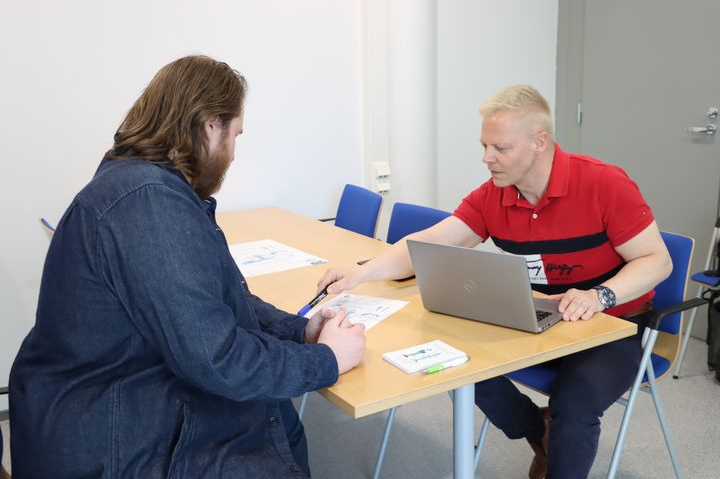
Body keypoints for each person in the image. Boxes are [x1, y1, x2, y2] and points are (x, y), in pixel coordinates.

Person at [9, 55, 366, 478]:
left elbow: (219, 301)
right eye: (235, 135)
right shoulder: (149, 204)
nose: (233, 153)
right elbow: (217, 359)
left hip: (112, 395)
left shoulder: (140, 185)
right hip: (110, 430)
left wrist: (298, 330)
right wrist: (326, 361)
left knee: (280, 418)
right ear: (210, 125)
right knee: (271, 419)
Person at [317, 85, 672, 479]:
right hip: (536, 313)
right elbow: (429, 242)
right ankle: (537, 430)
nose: (487, 158)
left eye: (500, 148)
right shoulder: (494, 195)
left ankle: (556, 436)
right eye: (484, 146)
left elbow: (657, 260)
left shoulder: (603, 184)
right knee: (451, 363)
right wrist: (360, 273)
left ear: (540, 142)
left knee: (574, 406)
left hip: (612, 324)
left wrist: (599, 296)